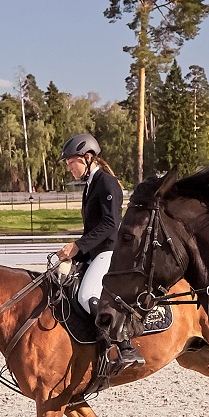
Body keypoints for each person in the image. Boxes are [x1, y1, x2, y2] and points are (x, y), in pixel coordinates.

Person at [57, 133, 143, 372]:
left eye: (71, 162)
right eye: (67, 163)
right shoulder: (91, 184)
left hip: (109, 251)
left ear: (87, 157)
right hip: (95, 252)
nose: (69, 168)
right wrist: (76, 254)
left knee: (86, 295)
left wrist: (77, 246)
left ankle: (123, 346)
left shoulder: (106, 182)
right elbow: (93, 228)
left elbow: (110, 224)